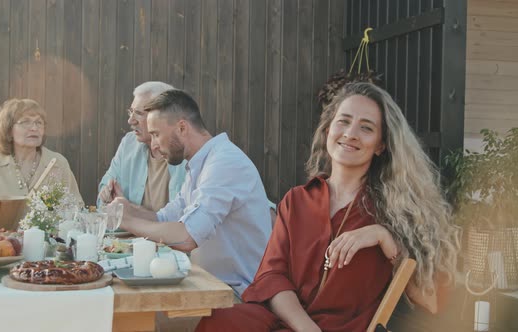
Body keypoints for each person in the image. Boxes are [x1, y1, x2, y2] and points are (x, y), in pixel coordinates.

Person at [196, 82, 460, 332]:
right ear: (328, 130)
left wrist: (384, 237)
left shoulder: (396, 209)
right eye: (343, 121)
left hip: (343, 328)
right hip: (288, 321)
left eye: (366, 128)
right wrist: (306, 327)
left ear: (381, 145)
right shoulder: (297, 200)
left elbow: (430, 300)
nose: (350, 133)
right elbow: (273, 277)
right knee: (221, 320)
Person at [110, 89, 272, 296]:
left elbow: (187, 237)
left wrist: (125, 221)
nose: (155, 145)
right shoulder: (200, 163)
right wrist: (128, 208)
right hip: (208, 286)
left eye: (156, 134)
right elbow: (164, 217)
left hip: (239, 295)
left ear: (182, 127)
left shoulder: (224, 163)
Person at [0, 98, 83, 205]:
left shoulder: (58, 163)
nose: (34, 128)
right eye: (25, 122)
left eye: (38, 122)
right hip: (0, 231)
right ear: (9, 130)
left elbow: (76, 208)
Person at [97, 81, 186, 211]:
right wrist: (107, 196)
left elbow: (187, 217)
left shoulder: (187, 153)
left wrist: (129, 208)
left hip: (169, 230)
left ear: (162, 117)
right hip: (129, 231)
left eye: (138, 113)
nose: (130, 120)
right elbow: (104, 192)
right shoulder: (129, 143)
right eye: (131, 112)